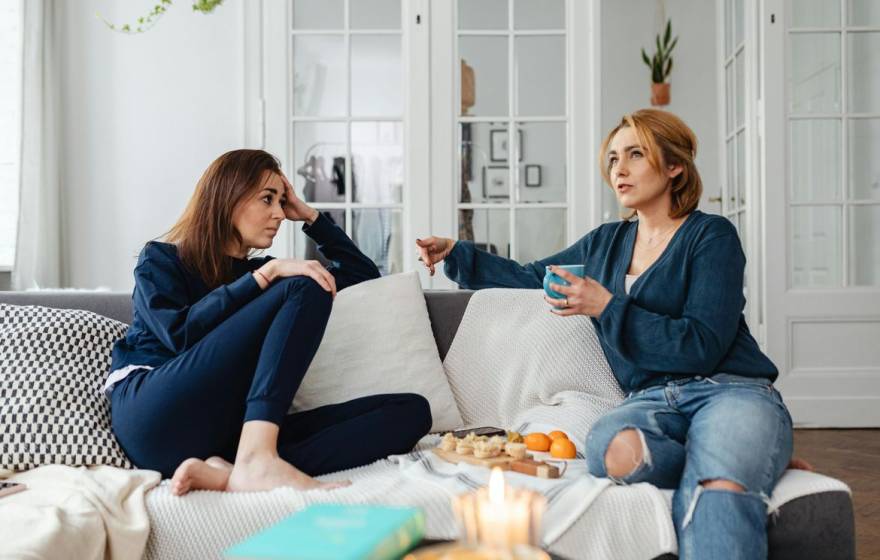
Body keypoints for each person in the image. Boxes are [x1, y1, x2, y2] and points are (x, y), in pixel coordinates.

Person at [416, 109, 798, 558]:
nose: (620, 168)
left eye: (636, 154)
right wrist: (457, 254)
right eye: (614, 158)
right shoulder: (605, 243)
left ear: (674, 166)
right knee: (608, 449)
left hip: (728, 390)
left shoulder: (711, 236)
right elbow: (531, 277)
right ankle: (741, 451)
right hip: (651, 402)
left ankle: (737, 455)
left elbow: (701, 345)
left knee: (720, 486)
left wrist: (606, 306)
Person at [108, 149, 431, 496]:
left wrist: (309, 215)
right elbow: (178, 335)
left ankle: (235, 470)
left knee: (410, 412)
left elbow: (363, 276)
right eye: (267, 199)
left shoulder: (267, 274)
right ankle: (258, 458)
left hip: (226, 429)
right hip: (153, 412)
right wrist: (265, 275)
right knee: (306, 282)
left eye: (282, 201)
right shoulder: (162, 259)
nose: (278, 214)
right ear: (227, 198)